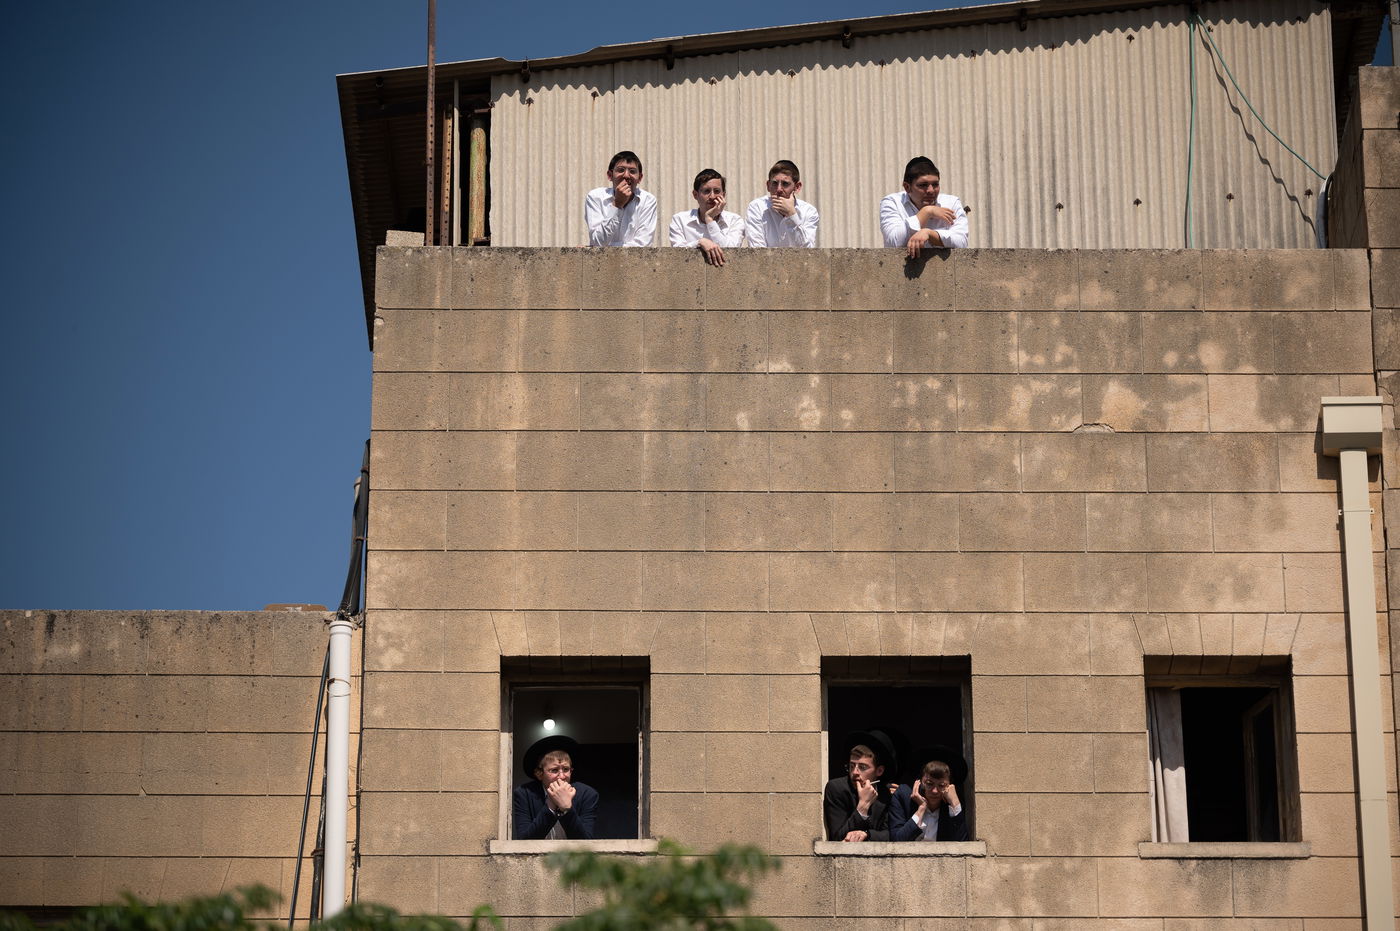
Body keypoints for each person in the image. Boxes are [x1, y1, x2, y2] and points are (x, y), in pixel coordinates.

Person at [512, 734, 598, 839]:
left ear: (571, 771)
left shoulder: (587, 794)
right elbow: (524, 840)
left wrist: (566, 808)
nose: (562, 776)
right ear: (539, 774)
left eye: (566, 769)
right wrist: (551, 806)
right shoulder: (524, 793)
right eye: (554, 770)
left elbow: (586, 841)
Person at [879, 156, 969, 257]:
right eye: (923, 185)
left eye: (935, 184)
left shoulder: (951, 202)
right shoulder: (892, 202)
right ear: (907, 187)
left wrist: (929, 234)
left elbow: (962, 242)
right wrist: (926, 212)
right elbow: (893, 242)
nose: (931, 190)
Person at [822, 730, 897, 841]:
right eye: (852, 766)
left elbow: (892, 834)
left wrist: (867, 834)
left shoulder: (887, 794)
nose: (855, 772)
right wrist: (863, 807)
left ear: (879, 771)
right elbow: (838, 837)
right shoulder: (837, 789)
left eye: (862, 767)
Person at [889, 747, 970, 842]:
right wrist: (921, 809)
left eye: (941, 785)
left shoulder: (953, 804)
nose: (935, 791)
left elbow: (963, 845)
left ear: (950, 786)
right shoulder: (903, 796)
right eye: (929, 784)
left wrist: (955, 804)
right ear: (919, 781)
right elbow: (897, 841)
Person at [669, 168, 746, 265]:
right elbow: (677, 254)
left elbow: (730, 252)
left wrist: (710, 219)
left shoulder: (735, 220)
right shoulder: (680, 220)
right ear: (695, 195)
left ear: (724, 194)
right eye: (706, 191)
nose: (712, 196)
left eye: (717, 191)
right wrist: (700, 242)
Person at [584, 150, 658, 246]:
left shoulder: (648, 200)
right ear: (610, 175)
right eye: (621, 170)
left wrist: (596, 248)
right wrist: (617, 205)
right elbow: (598, 241)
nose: (626, 175)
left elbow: (643, 245)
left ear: (640, 178)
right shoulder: (595, 197)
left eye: (632, 171)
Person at [745, 159, 819, 248]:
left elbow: (807, 251)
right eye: (775, 183)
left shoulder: (809, 211)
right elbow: (757, 250)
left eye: (785, 184)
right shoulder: (757, 207)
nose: (779, 189)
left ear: (797, 187)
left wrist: (792, 215)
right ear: (768, 186)